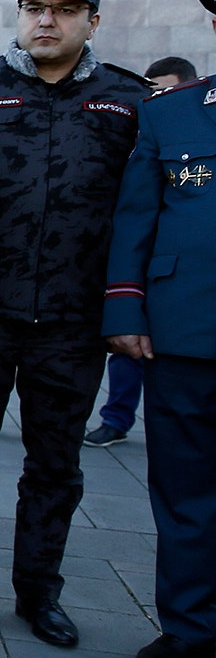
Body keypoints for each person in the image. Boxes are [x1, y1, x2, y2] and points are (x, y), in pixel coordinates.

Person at [0, 0, 150, 647]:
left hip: (71, 318)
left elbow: (142, 211)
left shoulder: (130, 101)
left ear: (92, 21)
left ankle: (38, 592)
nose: (46, 21)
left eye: (63, 10)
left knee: (55, 463)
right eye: (34, 8)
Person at [102, 0, 216, 658]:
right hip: (186, 331)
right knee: (184, 490)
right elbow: (136, 218)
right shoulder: (171, 112)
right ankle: (191, 624)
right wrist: (125, 307)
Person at [87, 54, 200, 448]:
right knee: (127, 347)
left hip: (181, 283)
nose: (158, 97)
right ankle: (116, 417)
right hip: (151, 273)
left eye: (167, 89)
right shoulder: (155, 119)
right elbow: (136, 209)